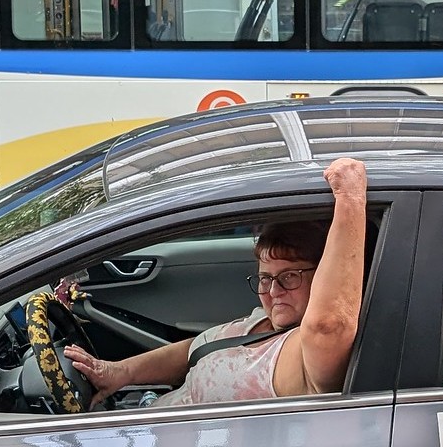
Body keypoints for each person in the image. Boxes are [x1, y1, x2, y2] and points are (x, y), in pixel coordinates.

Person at [67, 158, 367, 407]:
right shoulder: (263, 321)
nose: (273, 291)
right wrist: (118, 372)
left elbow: (329, 324)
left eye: (289, 277)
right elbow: (197, 350)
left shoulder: (307, 355)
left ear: (323, 278)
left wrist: (350, 200)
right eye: (265, 278)